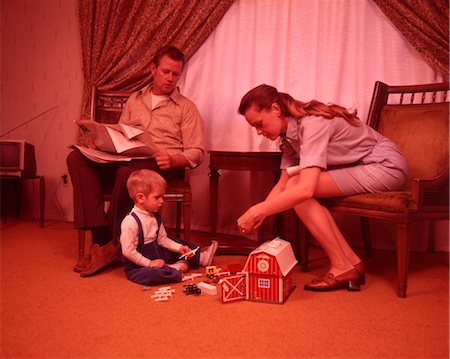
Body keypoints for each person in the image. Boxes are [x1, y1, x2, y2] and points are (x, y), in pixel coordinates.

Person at [236, 84, 408, 292]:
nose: (259, 132)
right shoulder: (288, 136)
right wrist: (261, 215)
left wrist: (257, 210)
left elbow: (305, 189)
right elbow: (282, 185)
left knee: (299, 187)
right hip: (363, 167)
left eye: (259, 124)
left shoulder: (313, 124)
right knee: (294, 186)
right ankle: (351, 262)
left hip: (386, 166)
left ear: (275, 109)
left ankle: (341, 265)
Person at [67, 45, 205, 277]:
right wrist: (101, 144)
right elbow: (121, 135)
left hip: (160, 166)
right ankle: (103, 240)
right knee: (76, 158)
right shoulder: (134, 100)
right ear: (153, 69)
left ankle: (107, 246)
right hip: (128, 160)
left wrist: (174, 159)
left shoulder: (186, 108)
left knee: (127, 173)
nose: (170, 78)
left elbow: (198, 151)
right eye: (165, 71)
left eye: (175, 73)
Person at [120, 169, 218, 286]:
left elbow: (163, 240)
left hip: (157, 254)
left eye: (163, 196)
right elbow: (128, 251)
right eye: (157, 197)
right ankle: (173, 270)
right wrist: (149, 263)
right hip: (138, 264)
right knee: (151, 275)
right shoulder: (130, 222)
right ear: (141, 198)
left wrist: (179, 248)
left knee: (177, 242)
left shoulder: (155, 216)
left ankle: (201, 258)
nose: (162, 201)